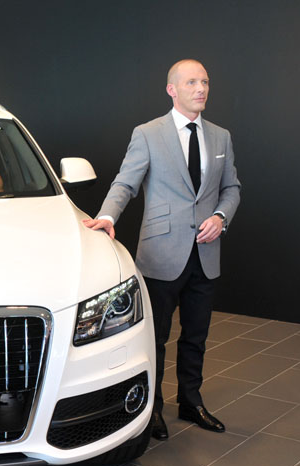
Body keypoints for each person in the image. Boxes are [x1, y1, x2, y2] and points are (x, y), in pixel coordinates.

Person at [84, 59, 241, 440]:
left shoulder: (220, 137)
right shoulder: (148, 133)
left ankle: (191, 402)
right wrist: (107, 215)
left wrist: (220, 216)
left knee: (196, 336)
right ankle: (151, 408)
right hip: (161, 254)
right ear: (172, 90)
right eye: (192, 82)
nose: (201, 88)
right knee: (154, 338)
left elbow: (232, 189)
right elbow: (125, 183)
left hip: (206, 254)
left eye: (205, 82)